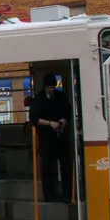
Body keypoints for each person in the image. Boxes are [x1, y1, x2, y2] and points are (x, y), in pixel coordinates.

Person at [29, 73, 73, 203]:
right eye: (49, 87)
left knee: (66, 165)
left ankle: (67, 194)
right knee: (48, 167)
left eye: (53, 87)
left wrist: (63, 121)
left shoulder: (61, 97)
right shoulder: (38, 100)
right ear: (45, 87)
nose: (51, 90)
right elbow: (34, 119)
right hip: (46, 137)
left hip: (61, 137)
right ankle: (49, 195)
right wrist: (50, 123)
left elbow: (68, 112)